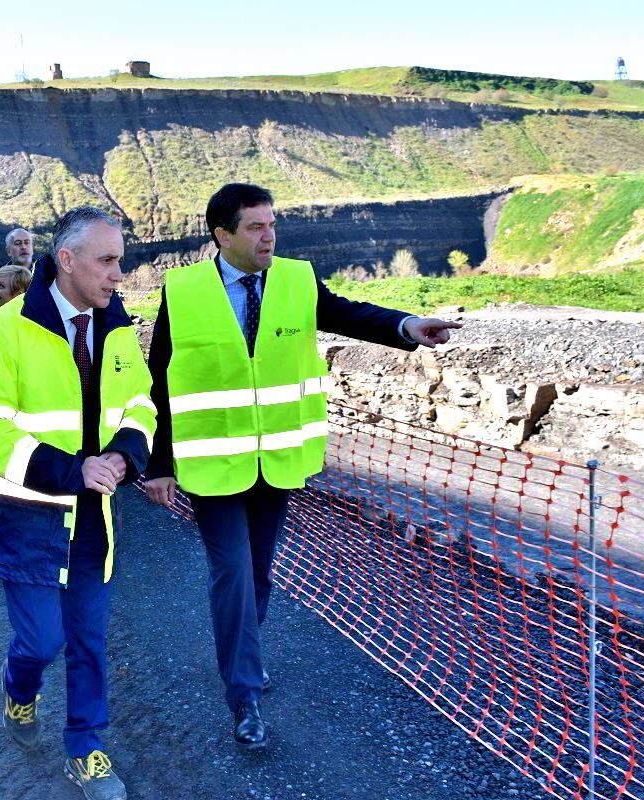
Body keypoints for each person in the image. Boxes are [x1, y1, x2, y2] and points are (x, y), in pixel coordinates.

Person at [143, 183, 462, 749]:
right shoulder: (184, 289)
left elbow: (344, 312)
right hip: (211, 464)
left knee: (260, 573)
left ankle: (244, 654)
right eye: (256, 228)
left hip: (278, 462)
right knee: (233, 573)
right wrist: (158, 463)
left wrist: (405, 326)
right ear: (223, 235)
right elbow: (161, 376)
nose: (269, 236)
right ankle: (242, 694)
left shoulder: (296, 278)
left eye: (272, 225)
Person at [0, 207, 155, 800]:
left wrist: (126, 455)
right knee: (42, 643)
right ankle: (20, 691)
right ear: (66, 261)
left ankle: (86, 746)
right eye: (108, 261)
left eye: (120, 260)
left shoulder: (117, 327)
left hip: (94, 517)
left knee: (89, 640)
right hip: (27, 516)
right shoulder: (0, 330)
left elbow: (140, 405)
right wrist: (72, 471)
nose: (119, 274)